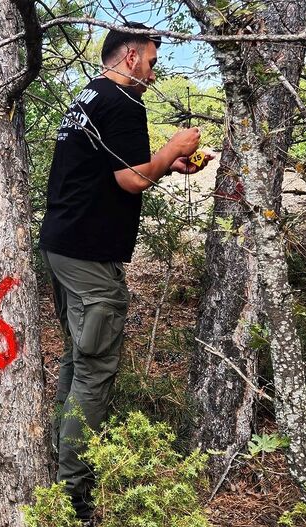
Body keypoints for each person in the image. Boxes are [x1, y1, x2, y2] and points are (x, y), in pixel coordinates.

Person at [37, 22, 212, 521]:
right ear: (132, 56)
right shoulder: (125, 103)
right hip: (90, 256)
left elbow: (112, 171)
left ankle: (59, 464)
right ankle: (73, 498)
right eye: (153, 63)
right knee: (94, 371)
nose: (154, 74)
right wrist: (174, 147)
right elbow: (131, 179)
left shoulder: (87, 97)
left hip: (62, 246)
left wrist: (167, 164)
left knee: (77, 357)